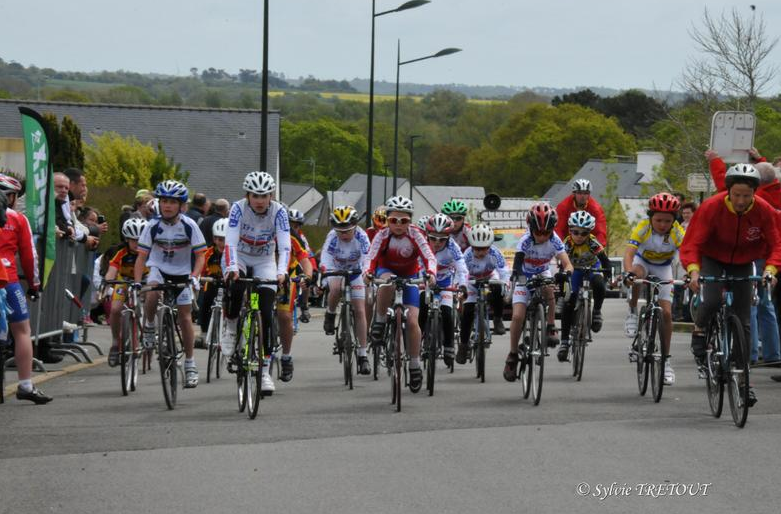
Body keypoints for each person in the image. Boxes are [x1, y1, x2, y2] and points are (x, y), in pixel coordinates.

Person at [681, 164, 781, 401]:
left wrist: (770, 270)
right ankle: (700, 329)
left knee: (744, 320)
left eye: (747, 196)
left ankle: (743, 379)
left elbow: (776, 243)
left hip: (744, 261)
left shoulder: (763, 209)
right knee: (713, 299)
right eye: (736, 195)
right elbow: (692, 243)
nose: (740, 201)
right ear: (728, 191)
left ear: (754, 193)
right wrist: (694, 272)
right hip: (712, 257)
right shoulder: (711, 207)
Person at [221, 171, 290, 396]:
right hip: (239, 255)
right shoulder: (238, 208)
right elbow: (229, 242)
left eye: (264, 196)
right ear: (247, 195)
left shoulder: (279, 211)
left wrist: (282, 272)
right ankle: (231, 327)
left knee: (267, 314)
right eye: (255, 196)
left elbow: (285, 245)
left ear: (271, 196)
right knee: (236, 285)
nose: (260, 201)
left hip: (264, 259)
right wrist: (231, 268)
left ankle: (265, 371)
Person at [133, 180, 207, 389]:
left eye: (172, 202)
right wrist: (139, 283)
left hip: (182, 273)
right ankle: (148, 327)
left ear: (181, 205)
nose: (167, 206)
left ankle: (190, 364)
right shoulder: (152, 226)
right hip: (159, 268)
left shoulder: (189, 225)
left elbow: (200, 256)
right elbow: (141, 257)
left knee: (184, 317)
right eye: (164, 201)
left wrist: (194, 276)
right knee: (153, 291)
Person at [363, 195, 436, 393]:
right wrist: (368, 273)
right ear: (387, 220)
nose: (398, 225)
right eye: (393, 220)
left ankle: (414, 365)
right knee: (386, 282)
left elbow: (429, 256)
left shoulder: (416, 234)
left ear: (410, 221)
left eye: (403, 221)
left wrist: (430, 274)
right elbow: (371, 257)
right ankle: (379, 321)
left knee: (413, 321)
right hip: (386, 270)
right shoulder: (383, 235)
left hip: (411, 274)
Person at [505, 203, 573, 382]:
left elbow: (567, 263)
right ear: (531, 228)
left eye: (546, 233)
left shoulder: (555, 239)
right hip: (525, 274)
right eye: (539, 233)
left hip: (542, 271)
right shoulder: (525, 240)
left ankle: (550, 326)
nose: (543, 237)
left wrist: (566, 273)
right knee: (518, 316)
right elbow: (517, 264)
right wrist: (518, 277)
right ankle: (512, 354)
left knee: (549, 290)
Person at [623, 193, 685, 386]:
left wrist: (689, 272)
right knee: (636, 275)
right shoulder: (643, 227)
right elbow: (629, 252)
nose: (662, 224)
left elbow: (687, 254)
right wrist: (627, 273)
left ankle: (666, 361)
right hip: (643, 262)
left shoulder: (677, 232)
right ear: (650, 217)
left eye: (667, 221)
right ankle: (633, 310)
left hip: (664, 267)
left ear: (674, 220)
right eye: (658, 220)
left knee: (666, 313)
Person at [0, 183, 50, 403]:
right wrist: (34, 285)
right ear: (9, 197)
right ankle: (26, 385)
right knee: (21, 331)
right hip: (8, 280)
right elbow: (30, 257)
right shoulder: (18, 219)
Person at [321, 205, 372, 374]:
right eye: (339, 231)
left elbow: (368, 259)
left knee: (360, 310)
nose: (343, 234)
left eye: (347, 231)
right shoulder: (332, 237)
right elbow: (325, 257)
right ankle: (330, 313)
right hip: (336, 268)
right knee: (335, 288)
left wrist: (367, 273)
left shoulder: (362, 236)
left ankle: (363, 355)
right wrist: (324, 270)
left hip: (356, 270)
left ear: (355, 226)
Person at [557, 211, 611, 362]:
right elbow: (561, 266)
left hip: (592, 268)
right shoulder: (566, 244)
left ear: (589, 233)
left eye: (584, 233)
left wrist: (607, 276)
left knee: (599, 284)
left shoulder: (593, 243)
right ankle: (565, 341)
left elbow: (605, 261)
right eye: (575, 232)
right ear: (570, 231)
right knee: (570, 301)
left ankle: (597, 311)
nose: (579, 236)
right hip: (574, 270)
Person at [420, 213, 468, 367]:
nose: (437, 242)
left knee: (447, 312)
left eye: (442, 239)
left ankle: (448, 346)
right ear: (427, 235)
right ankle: (418, 339)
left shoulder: (453, 247)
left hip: (445, 281)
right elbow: (414, 264)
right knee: (421, 307)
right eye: (433, 238)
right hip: (425, 280)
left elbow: (462, 268)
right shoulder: (421, 244)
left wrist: (463, 285)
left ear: (448, 237)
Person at [456, 223, 507, 364]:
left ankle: (497, 319)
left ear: (490, 246)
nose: (480, 252)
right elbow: (460, 274)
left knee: (498, 288)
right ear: (471, 246)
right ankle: (463, 345)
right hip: (471, 281)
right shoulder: (466, 255)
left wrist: (506, 286)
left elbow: (504, 272)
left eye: (484, 248)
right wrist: (461, 289)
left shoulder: (495, 253)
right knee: (468, 313)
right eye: (477, 249)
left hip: (489, 278)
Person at [104, 218, 149, 366]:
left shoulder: (149, 252)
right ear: (126, 239)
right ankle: (116, 343)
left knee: (153, 300)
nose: (136, 244)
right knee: (116, 309)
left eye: (140, 240)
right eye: (133, 240)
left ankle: (150, 328)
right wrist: (107, 282)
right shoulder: (121, 253)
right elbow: (112, 270)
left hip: (145, 280)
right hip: (124, 281)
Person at [275, 214, 313, 383]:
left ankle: (286, 357)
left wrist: (308, 276)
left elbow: (305, 260)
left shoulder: (291, 237)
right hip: (261, 277)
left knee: (284, 316)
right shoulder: (256, 232)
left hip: (286, 278)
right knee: (253, 308)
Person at [197, 218, 227, 341]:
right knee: (205, 299)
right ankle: (204, 330)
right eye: (219, 239)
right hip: (213, 282)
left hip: (229, 282)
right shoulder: (208, 253)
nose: (221, 243)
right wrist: (198, 278)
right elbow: (201, 270)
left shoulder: (235, 252)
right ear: (214, 239)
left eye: (224, 239)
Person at [555, 179, 607, 246]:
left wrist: (597, 248)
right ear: (574, 193)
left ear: (589, 194)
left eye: (585, 193)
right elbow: (558, 230)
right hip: (568, 243)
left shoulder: (596, 209)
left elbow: (601, 232)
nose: (582, 196)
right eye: (579, 193)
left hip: (588, 244)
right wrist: (560, 248)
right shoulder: (563, 206)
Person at [288, 208, 316, 324]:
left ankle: (304, 306)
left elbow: (308, 256)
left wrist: (312, 271)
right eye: (291, 225)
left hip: (294, 263)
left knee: (305, 281)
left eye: (296, 226)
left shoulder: (301, 238)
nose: (293, 229)